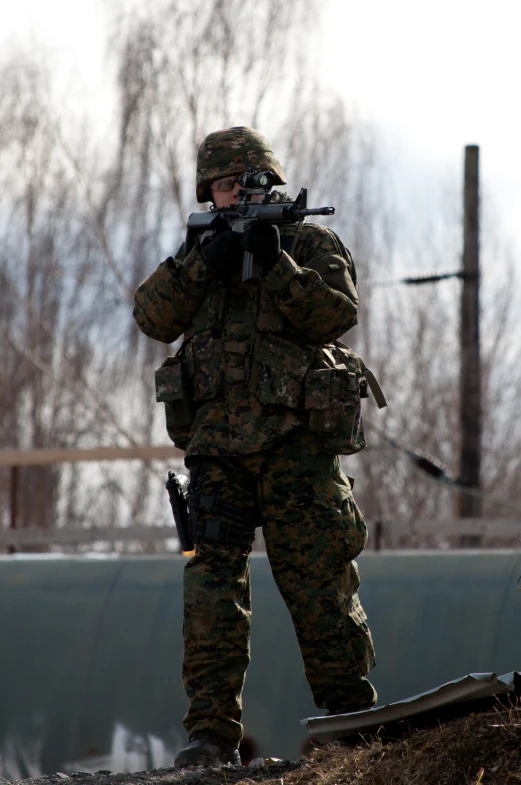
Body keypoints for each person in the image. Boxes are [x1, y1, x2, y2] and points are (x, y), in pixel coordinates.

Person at [133, 127, 377, 768]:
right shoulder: (199, 251)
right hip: (218, 452)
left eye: (251, 180)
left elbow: (335, 314)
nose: (240, 191)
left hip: (299, 449)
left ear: (271, 181)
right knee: (211, 588)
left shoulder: (307, 243)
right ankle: (210, 734)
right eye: (225, 182)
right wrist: (201, 263)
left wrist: (278, 264)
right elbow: (152, 317)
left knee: (321, 584)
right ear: (207, 192)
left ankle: (353, 723)